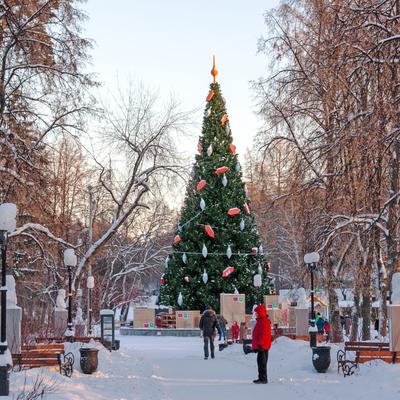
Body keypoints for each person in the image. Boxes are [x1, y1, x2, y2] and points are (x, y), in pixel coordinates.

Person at [251, 304, 271, 384]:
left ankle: (263, 379)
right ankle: (261, 378)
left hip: (262, 346)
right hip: (262, 346)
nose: (256, 314)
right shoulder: (262, 320)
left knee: (262, 363)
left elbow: (264, 334)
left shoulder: (263, 321)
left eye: (257, 313)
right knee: (260, 362)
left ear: (260, 312)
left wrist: (260, 344)